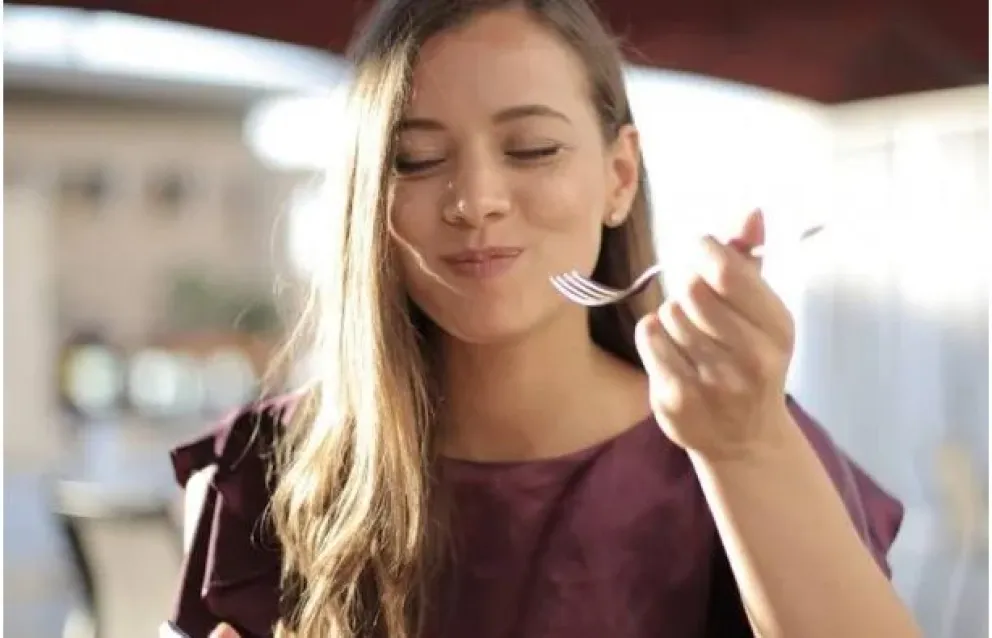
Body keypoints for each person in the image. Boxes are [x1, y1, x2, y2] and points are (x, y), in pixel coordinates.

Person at [168, 1, 919, 637]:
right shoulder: (271, 470)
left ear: (619, 177)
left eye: (531, 149)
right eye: (417, 159)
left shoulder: (737, 439)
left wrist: (745, 448)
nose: (476, 201)